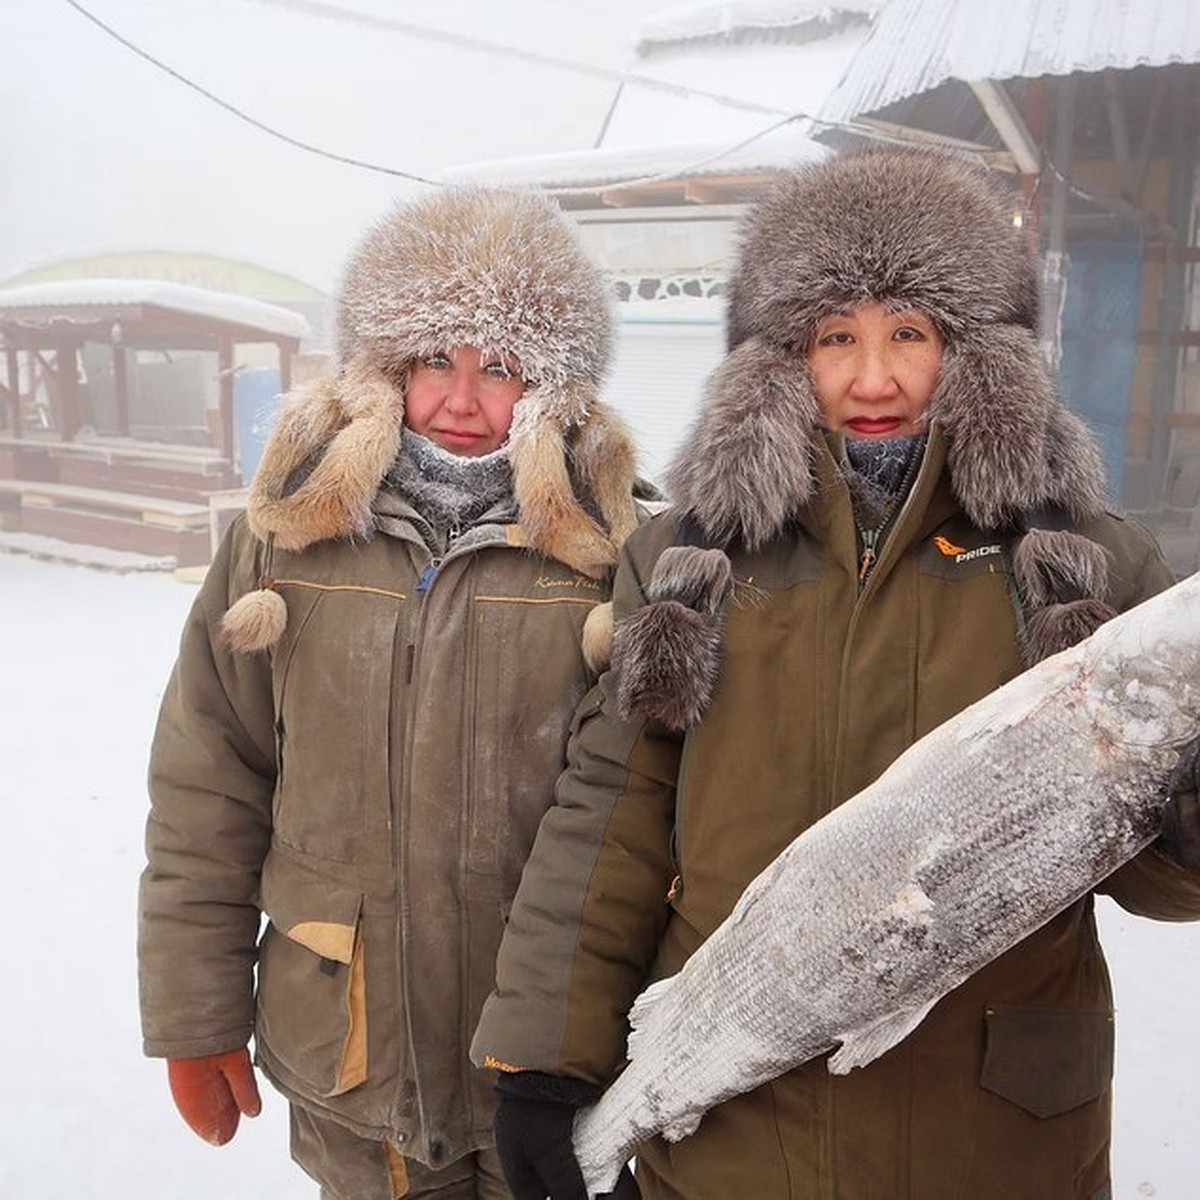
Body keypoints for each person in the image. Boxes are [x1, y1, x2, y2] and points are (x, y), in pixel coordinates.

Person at [472, 149, 1200, 1200]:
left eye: (911, 333)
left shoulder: (1084, 562)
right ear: (779, 359)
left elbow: (1151, 872)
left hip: (995, 1135)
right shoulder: (688, 561)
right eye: (835, 339)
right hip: (738, 1124)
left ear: (977, 353)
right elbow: (613, 809)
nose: (874, 378)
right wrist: (546, 1058)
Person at [138, 185, 650, 1200]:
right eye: (432, 362)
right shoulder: (283, 539)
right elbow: (208, 783)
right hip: (350, 1056)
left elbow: (658, 823)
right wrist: (194, 1016)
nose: (461, 403)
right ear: (382, 369)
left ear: (554, 386)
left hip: (551, 1069)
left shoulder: (620, 556)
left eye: (499, 367)